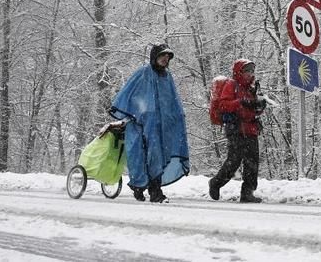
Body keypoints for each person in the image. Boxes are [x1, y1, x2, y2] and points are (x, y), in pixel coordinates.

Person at [109, 43, 190, 203]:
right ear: (155, 57)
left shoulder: (167, 77)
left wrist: (177, 116)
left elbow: (173, 100)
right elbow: (128, 93)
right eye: (162, 56)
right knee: (141, 156)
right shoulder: (143, 73)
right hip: (141, 123)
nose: (165, 60)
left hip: (160, 125)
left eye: (168, 57)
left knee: (157, 155)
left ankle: (154, 190)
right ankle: (143, 187)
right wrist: (137, 113)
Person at [208, 59, 266, 203]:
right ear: (239, 72)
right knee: (234, 161)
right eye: (247, 71)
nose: (250, 74)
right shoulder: (231, 85)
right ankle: (216, 183)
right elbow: (224, 105)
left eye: (252, 71)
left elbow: (252, 110)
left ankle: (248, 192)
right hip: (236, 128)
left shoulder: (251, 88)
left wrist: (259, 107)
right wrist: (241, 102)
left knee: (252, 162)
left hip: (251, 129)